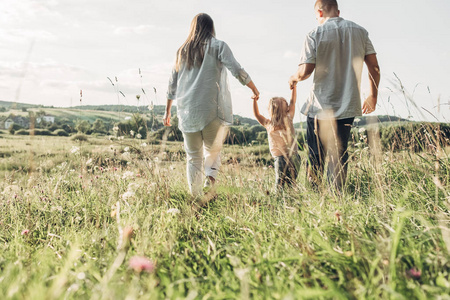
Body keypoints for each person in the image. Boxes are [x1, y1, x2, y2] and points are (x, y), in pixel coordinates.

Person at [164, 13, 259, 197]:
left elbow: (171, 85)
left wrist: (167, 111)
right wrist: (253, 88)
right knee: (213, 151)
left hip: (187, 112)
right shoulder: (218, 46)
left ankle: (196, 197)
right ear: (211, 27)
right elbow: (236, 69)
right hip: (212, 110)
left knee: (193, 157)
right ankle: (210, 179)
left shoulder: (182, 51)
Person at [289, 0, 380, 192]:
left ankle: (315, 198)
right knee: (339, 153)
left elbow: (305, 71)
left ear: (319, 13)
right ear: (337, 11)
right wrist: (373, 96)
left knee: (315, 156)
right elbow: (374, 67)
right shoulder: (360, 32)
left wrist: (294, 78)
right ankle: (337, 196)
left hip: (320, 106)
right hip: (348, 105)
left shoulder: (314, 34)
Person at [253, 85, 300, 188]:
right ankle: (292, 198)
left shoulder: (269, 124)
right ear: (285, 109)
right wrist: (294, 87)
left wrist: (254, 101)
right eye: (286, 105)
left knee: (279, 182)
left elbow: (257, 115)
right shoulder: (289, 119)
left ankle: (279, 199)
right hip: (294, 156)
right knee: (292, 182)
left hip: (280, 158)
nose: (288, 106)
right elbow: (293, 102)